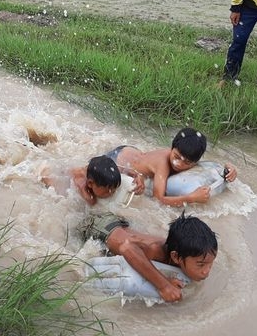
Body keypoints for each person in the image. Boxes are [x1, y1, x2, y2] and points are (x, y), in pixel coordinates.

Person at [79, 211, 218, 302]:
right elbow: (126, 247)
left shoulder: (184, 250)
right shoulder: (155, 250)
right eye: (201, 264)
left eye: (210, 264)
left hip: (121, 225)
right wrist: (164, 285)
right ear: (176, 257)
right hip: (98, 228)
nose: (207, 271)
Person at [103, 128, 237, 207]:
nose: (178, 164)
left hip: (134, 153)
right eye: (176, 156)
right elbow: (157, 199)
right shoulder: (163, 163)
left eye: (187, 162)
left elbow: (211, 165)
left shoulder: (187, 156)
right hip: (118, 158)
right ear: (172, 148)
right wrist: (191, 198)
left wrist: (229, 168)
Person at [42, 155, 122, 206]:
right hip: (56, 172)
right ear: (90, 184)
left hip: (74, 167)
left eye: (114, 190)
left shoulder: (99, 176)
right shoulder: (81, 181)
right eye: (107, 191)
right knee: (50, 185)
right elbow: (91, 201)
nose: (111, 193)